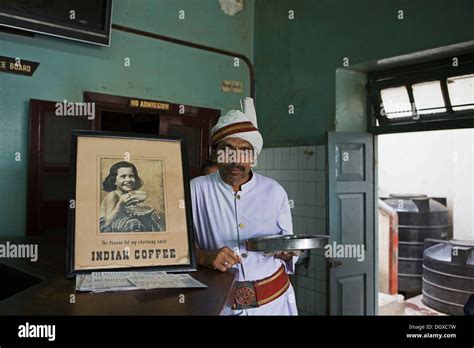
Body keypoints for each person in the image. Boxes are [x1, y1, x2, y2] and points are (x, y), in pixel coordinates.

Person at [190, 97, 298, 315]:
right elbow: (173, 250)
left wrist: (286, 252)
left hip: (272, 303)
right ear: (214, 154)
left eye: (245, 152)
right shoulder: (195, 190)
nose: (235, 160)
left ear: (254, 157)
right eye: (226, 150)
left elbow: (290, 246)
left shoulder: (274, 191)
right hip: (220, 303)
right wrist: (204, 257)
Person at [100, 161, 161, 232]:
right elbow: (108, 222)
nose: (128, 180)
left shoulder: (128, 195)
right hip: (105, 227)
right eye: (123, 176)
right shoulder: (113, 195)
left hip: (120, 223)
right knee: (134, 223)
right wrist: (120, 204)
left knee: (149, 221)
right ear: (114, 181)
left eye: (131, 176)